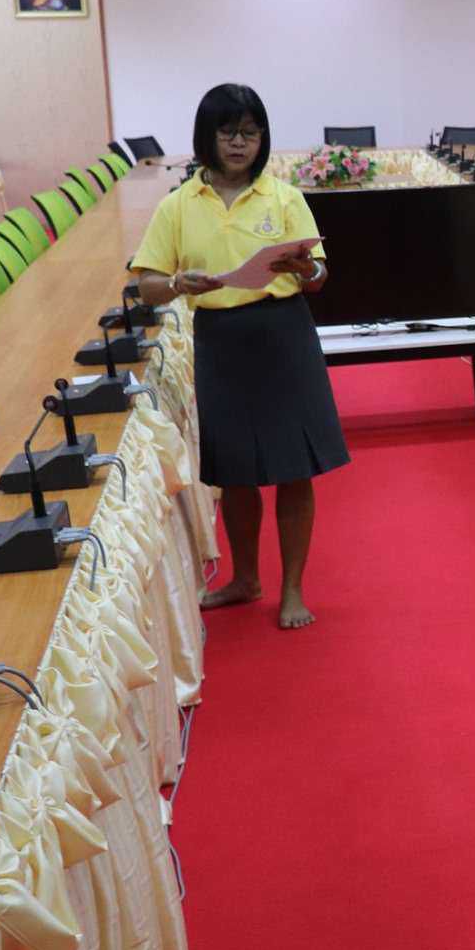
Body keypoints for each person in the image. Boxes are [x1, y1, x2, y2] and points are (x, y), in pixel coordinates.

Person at [130, 84, 350, 630]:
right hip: (220, 338)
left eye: (250, 133)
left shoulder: (284, 197)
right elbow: (146, 284)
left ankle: (292, 589)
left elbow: (320, 274)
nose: (238, 143)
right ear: (206, 137)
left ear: (262, 139)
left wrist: (305, 268)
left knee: (295, 468)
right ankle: (245, 578)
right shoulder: (178, 205)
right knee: (234, 470)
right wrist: (177, 283)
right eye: (227, 132)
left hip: (283, 335)